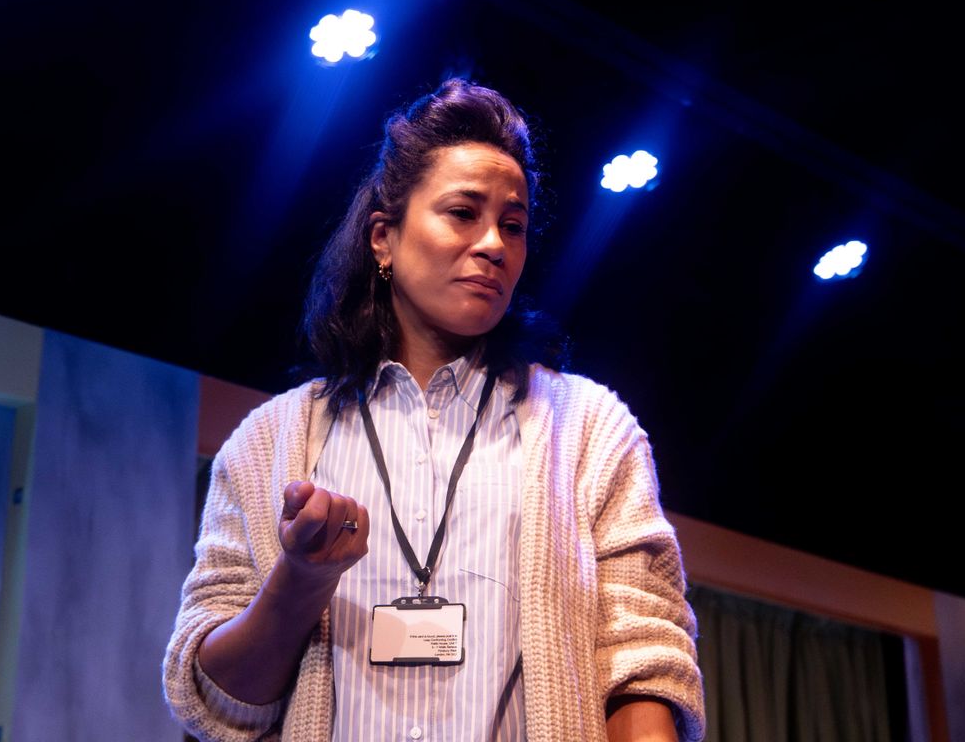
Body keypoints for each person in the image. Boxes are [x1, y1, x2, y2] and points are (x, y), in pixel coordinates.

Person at [162, 77, 706, 741]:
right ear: (383, 238)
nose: (494, 244)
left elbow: (643, 656)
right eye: (463, 212)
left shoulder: (591, 429)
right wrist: (301, 578)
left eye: (513, 225)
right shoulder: (267, 442)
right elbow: (215, 702)